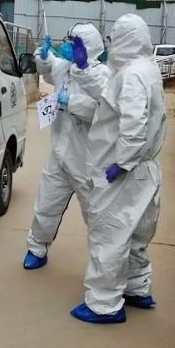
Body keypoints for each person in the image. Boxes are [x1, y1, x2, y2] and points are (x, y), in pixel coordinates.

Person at [69, 14, 166, 323]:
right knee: (136, 235)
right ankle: (137, 288)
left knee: (108, 236)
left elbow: (134, 122)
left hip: (123, 171)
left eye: (113, 38)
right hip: (144, 170)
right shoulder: (145, 68)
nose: (110, 44)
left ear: (125, 39)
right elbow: (110, 94)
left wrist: (122, 162)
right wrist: (84, 69)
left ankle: (103, 303)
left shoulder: (132, 74)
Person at [23, 23, 109, 270]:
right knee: (46, 205)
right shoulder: (64, 67)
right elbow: (48, 68)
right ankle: (37, 248)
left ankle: (104, 264)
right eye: (68, 39)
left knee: (95, 213)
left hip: (87, 160)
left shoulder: (102, 75)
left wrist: (71, 101)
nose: (68, 45)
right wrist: (42, 54)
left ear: (88, 47)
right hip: (59, 154)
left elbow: (104, 110)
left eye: (75, 42)